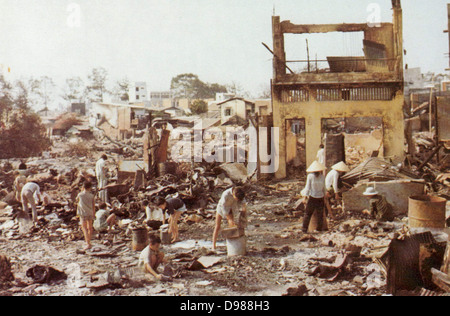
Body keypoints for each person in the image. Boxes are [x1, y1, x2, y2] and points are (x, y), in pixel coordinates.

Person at [212, 186, 247, 251]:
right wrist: (228, 218)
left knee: (232, 226)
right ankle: (213, 246)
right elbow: (223, 207)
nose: (237, 200)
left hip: (231, 208)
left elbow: (243, 203)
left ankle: (232, 245)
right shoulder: (226, 194)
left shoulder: (240, 192)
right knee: (217, 226)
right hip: (221, 208)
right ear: (233, 194)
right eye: (236, 198)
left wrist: (244, 212)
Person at [302, 161, 328, 233]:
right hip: (319, 197)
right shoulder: (321, 177)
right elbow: (324, 188)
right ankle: (317, 229)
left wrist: (304, 197)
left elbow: (308, 187)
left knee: (308, 213)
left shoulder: (311, 176)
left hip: (314, 197)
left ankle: (305, 229)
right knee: (318, 214)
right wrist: (325, 197)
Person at [76, 181, 96, 250]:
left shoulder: (80, 195)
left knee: (84, 228)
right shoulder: (91, 196)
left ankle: (87, 243)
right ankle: (89, 241)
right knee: (90, 227)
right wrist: (94, 213)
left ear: (83, 187)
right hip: (90, 212)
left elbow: (76, 201)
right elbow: (93, 206)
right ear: (90, 188)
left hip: (83, 213)